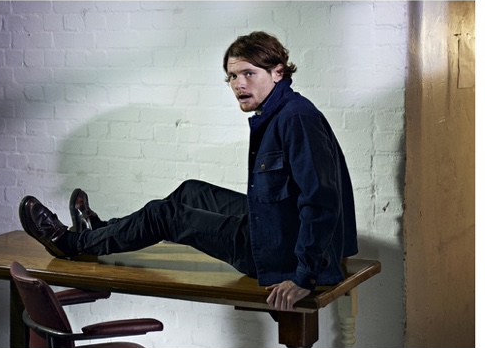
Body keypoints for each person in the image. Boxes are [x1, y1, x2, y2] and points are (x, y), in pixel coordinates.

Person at [18, 31, 358, 311]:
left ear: (278, 72)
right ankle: (102, 231)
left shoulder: (295, 118)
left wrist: (303, 277)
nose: (238, 84)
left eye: (249, 74)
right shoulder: (281, 111)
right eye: (232, 76)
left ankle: (72, 242)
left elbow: (322, 202)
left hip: (278, 253)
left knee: (164, 214)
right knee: (191, 190)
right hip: (276, 228)